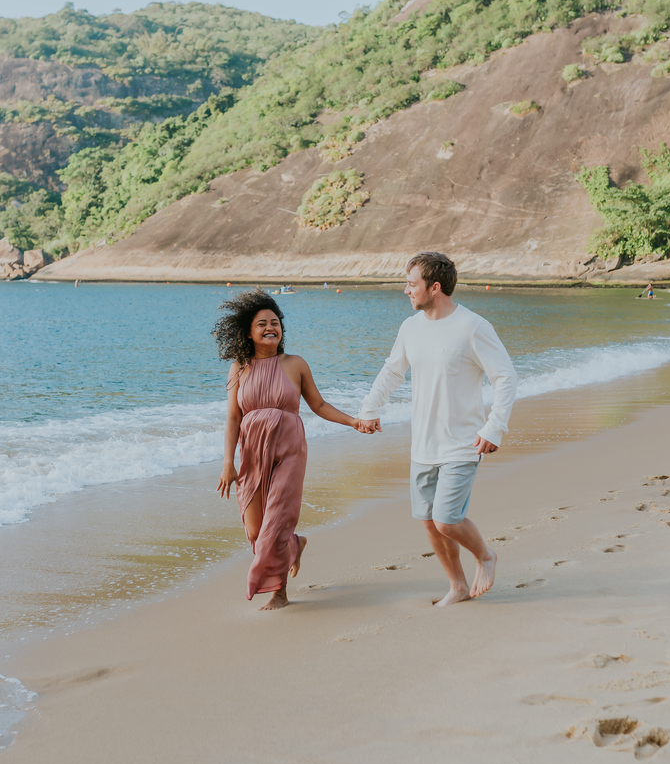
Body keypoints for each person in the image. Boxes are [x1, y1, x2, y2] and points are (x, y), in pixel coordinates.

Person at [358, 252, 518, 606]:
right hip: (423, 445)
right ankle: (458, 586)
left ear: (434, 287)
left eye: (412, 284)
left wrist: (495, 427)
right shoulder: (410, 328)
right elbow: (392, 371)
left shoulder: (473, 326)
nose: (406, 291)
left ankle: (487, 557)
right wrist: (370, 408)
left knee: (447, 520)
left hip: (463, 442)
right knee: (429, 522)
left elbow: (505, 377)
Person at [215, 289, 364, 610]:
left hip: (289, 448)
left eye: (275, 322)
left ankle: (279, 592)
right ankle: (294, 545)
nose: (270, 327)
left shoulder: (295, 364)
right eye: (262, 323)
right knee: (255, 529)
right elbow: (232, 417)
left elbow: (319, 404)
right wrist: (228, 462)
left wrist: (352, 421)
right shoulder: (239, 367)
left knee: (276, 520)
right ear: (249, 332)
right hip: (252, 452)